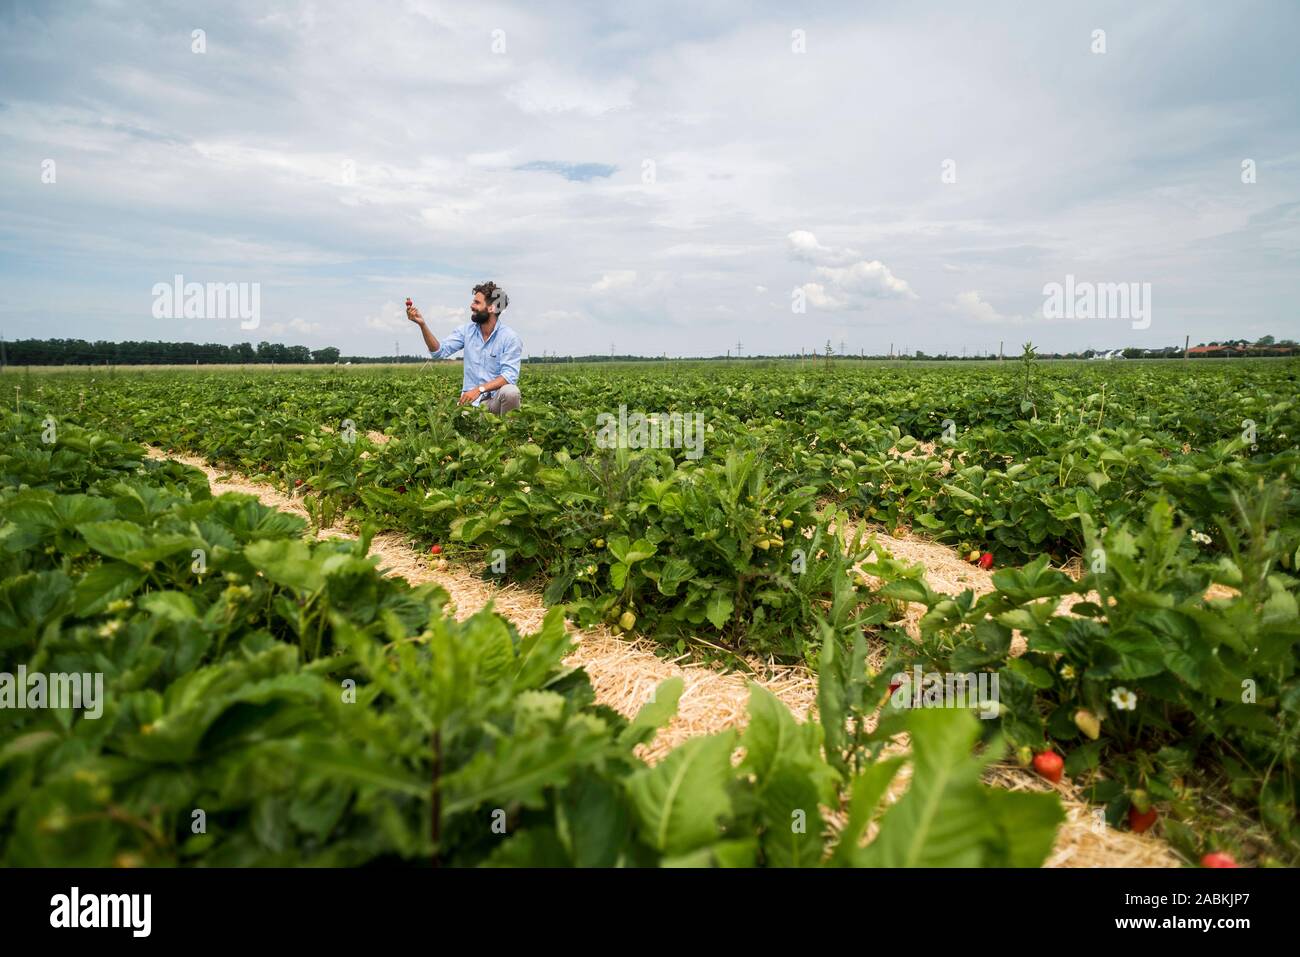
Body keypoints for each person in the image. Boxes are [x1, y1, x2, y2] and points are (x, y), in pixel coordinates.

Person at [406, 281, 522, 414]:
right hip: (471, 403)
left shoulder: (510, 337)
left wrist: (479, 389)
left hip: (495, 401)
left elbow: (509, 376)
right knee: (464, 424)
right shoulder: (466, 331)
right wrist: (422, 325)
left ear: (492, 308)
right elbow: (439, 351)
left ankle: (510, 431)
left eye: (477, 303)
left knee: (511, 392)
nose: (472, 306)